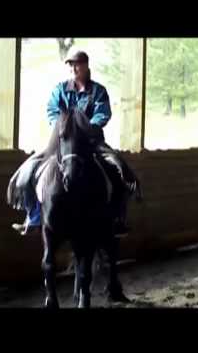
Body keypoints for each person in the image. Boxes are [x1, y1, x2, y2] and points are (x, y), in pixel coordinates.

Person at [11, 48, 142, 237]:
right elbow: (52, 111)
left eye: (77, 64)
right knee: (27, 172)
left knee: (119, 169)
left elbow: (102, 114)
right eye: (70, 64)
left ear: (86, 66)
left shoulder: (98, 91)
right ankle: (34, 217)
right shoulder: (60, 90)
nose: (73, 67)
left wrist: (85, 128)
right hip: (62, 141)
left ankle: (116, 218)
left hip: (91, 141)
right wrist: (64, 127)